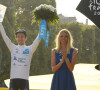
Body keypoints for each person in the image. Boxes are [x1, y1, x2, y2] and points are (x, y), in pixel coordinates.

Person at [0, 22, 40, 90]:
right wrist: (0, 23)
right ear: (16, 38)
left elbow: (37, 40)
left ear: (26, 38)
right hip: (13, 80)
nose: (20, 38)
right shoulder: (13, 48)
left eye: (22, 36)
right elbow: (5, 37)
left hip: (24, 80)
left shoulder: (30, 49)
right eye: (18, 36)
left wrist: (43, 27)